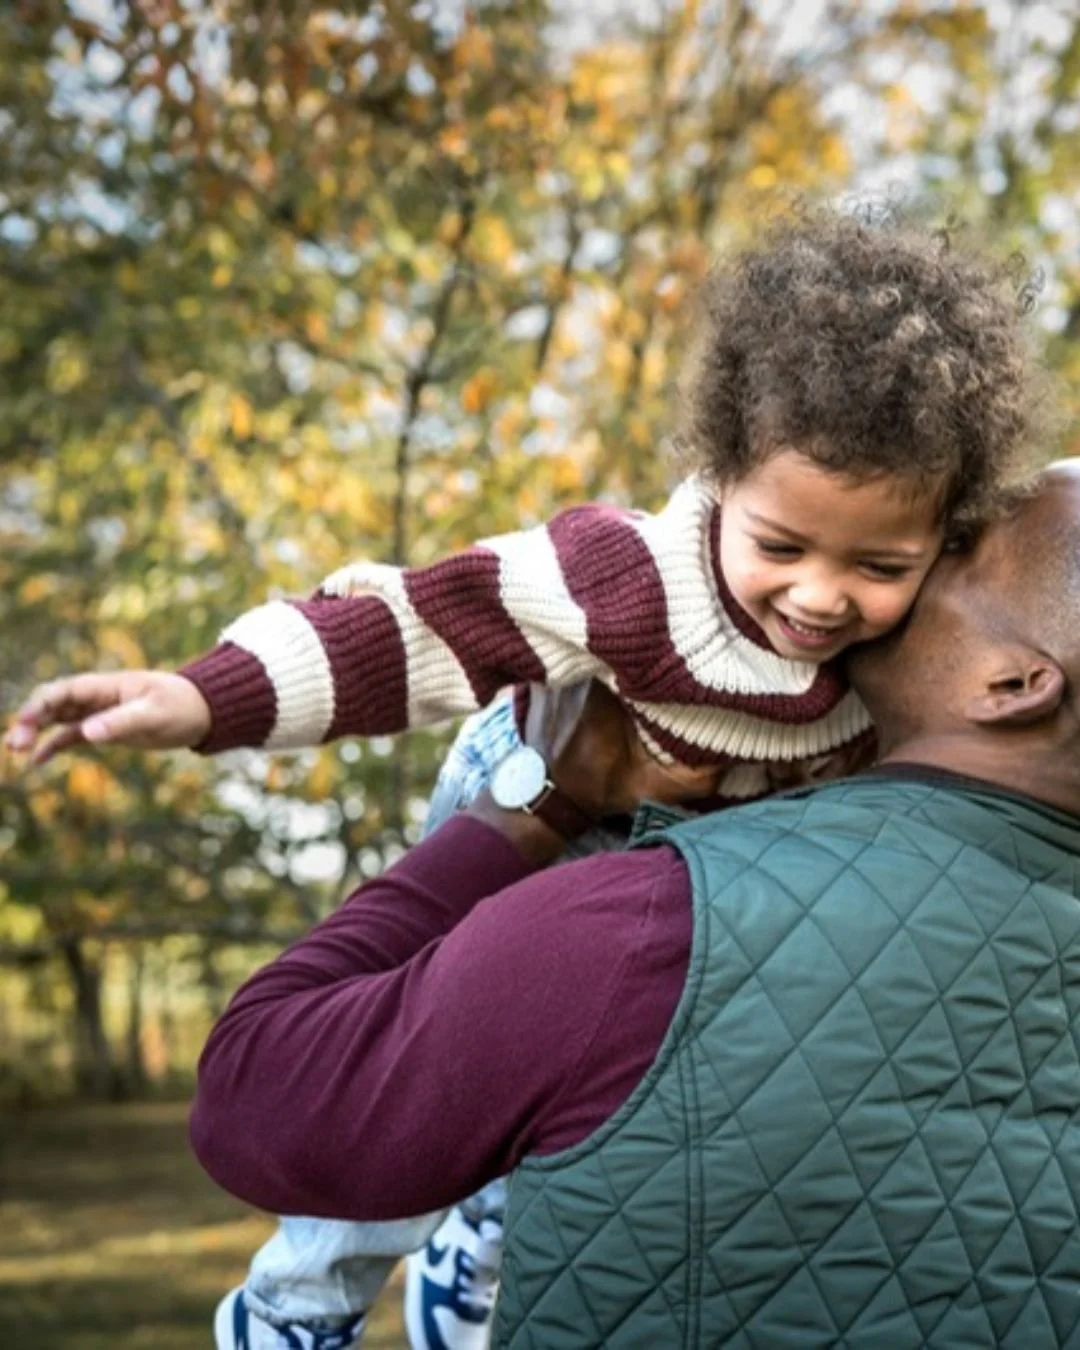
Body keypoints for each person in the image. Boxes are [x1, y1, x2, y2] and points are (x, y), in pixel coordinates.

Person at [3, 205, 1040, 1350]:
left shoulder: (896, 664)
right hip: (533, 776)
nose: (821, 596)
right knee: (416, 1072)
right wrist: (206, 698)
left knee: (568, 1095)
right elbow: (412, 630)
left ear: (941, 542)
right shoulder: (627, 577)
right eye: (780, 547)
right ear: (718, 477)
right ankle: (299, 1304)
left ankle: (476, 1253)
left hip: (680, 857)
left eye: (880, 564)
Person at [186, 457, 1080, 1348]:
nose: (906, 561)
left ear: (1013, 684)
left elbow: (259, 1099)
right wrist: (217, 692)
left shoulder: (661, 929)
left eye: (959, 546)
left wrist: (533, 807)